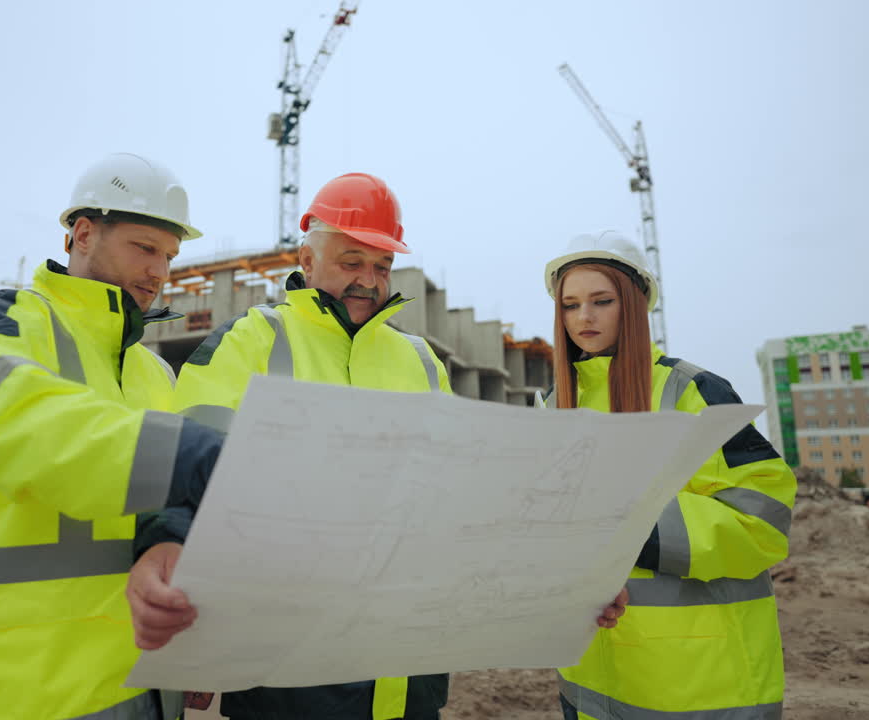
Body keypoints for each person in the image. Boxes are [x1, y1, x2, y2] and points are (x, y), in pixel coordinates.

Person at [126, 175, 628, 720]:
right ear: (307, 260)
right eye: (351, 262)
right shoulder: (252, 341)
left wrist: (571, 578)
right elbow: (192, 463)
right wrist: (166, 542)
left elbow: (464, 497)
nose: (369, 280)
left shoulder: (418, 359)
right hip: (289, 663)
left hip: (408, 660)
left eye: (382, 266)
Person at [0, 153, 222, 720]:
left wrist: (194, 648)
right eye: (144, 247)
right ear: (83, 234)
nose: (160, 272)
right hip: (23, 687)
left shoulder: (154, 373)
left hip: (145, 680)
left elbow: (170, 524)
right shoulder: (9, 321)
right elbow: (13, 421)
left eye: (169, 256)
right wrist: (186, 454)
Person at [541, 231, 795, 720]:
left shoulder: (693, 391)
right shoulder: (553, 405)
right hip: (590, 678)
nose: (584, 318)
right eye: (570, 305)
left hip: (701, 679)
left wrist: (622, 522)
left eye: (601, 301)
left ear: (634, 305)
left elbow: (763, 519)